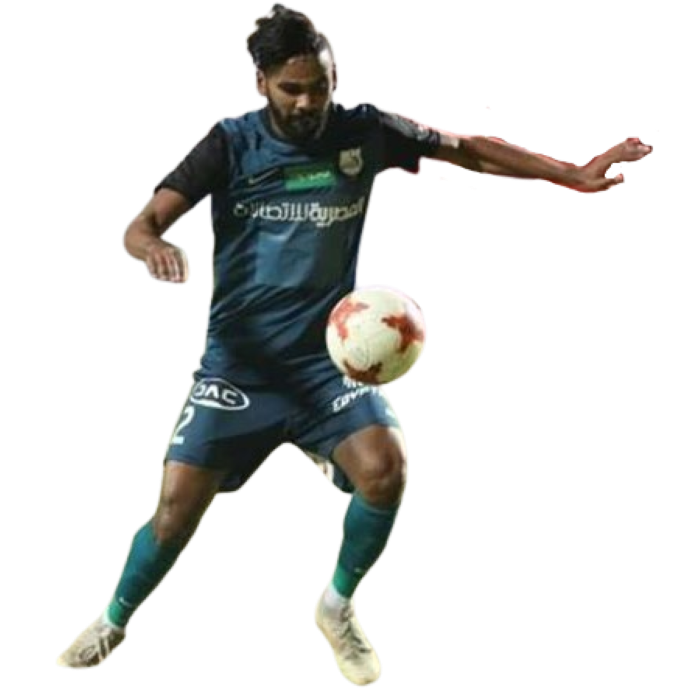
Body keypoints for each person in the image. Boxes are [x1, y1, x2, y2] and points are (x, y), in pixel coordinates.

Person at [55, 1, 653, 684]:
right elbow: (140, 225)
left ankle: (337, 606)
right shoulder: (229, 142)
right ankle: (113, 621)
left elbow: (464, 149)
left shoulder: (364, 129)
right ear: (260, 82)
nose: (309, 101)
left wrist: (573, 174)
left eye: (322, 85)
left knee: (387, 469)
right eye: (292, 89)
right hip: (239, 367)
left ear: (335, 77)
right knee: (174, 512)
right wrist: (155, 247)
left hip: (328, 365)